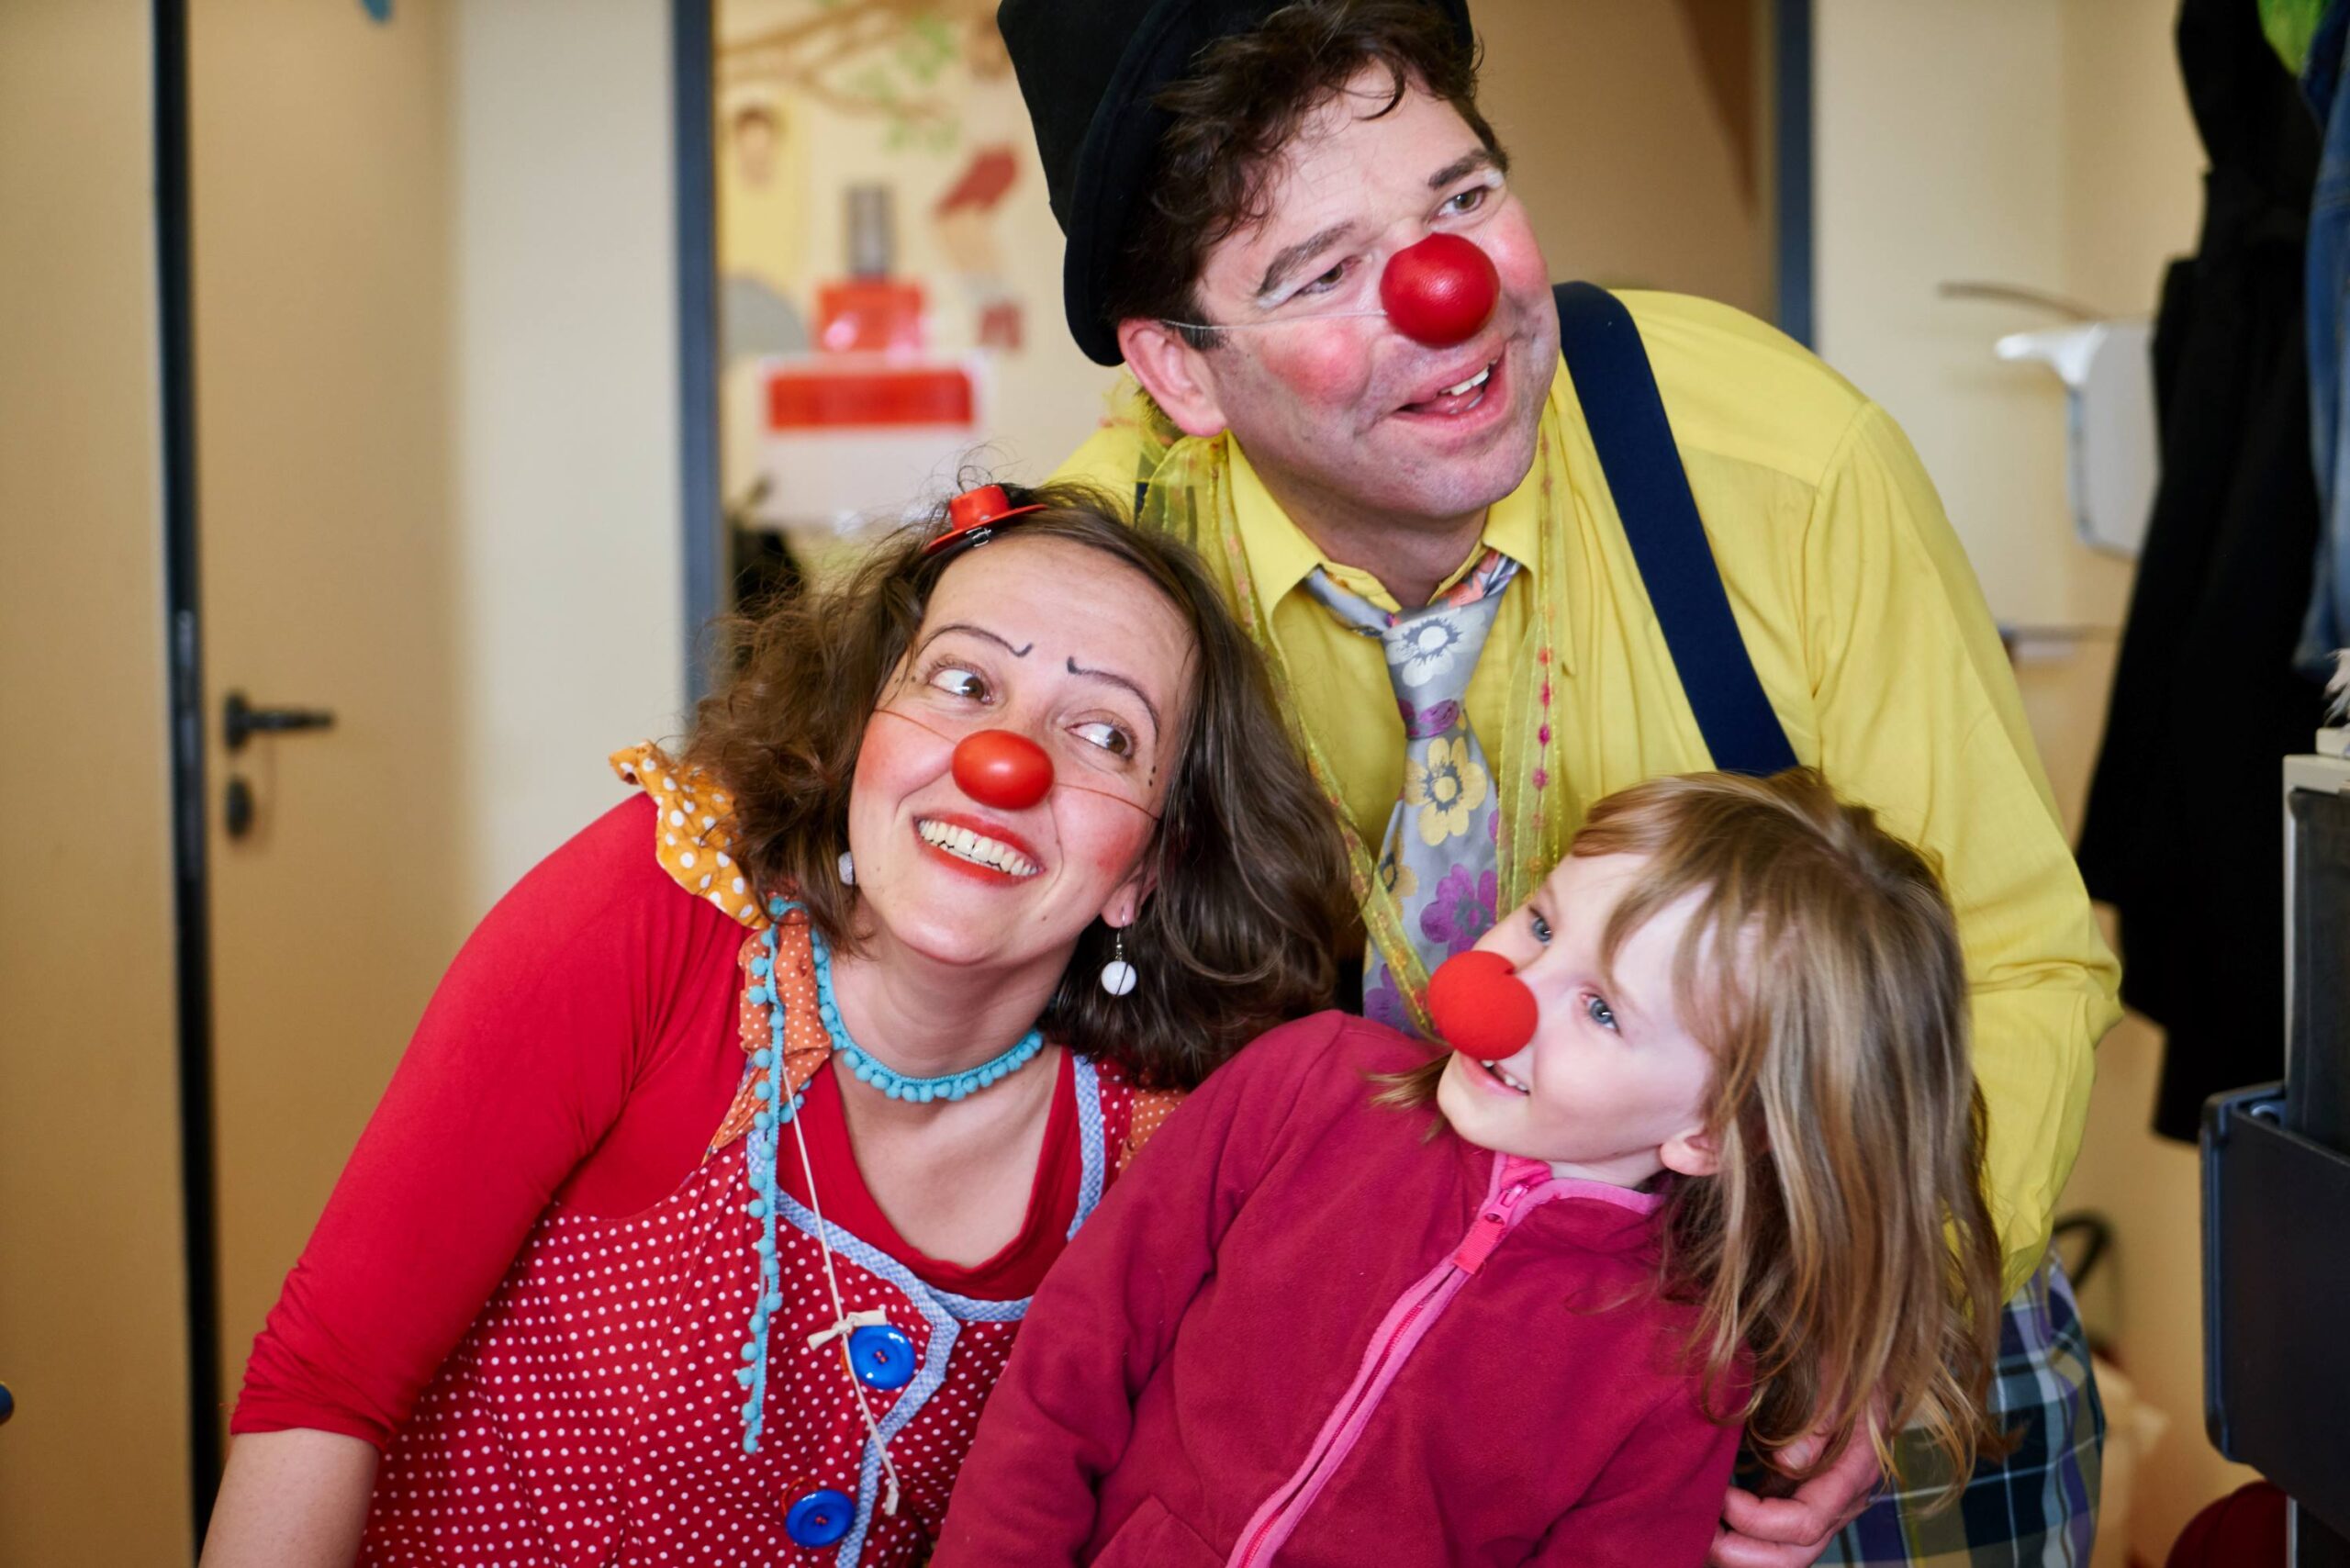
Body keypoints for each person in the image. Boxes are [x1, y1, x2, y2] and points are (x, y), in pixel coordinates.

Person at [993, 1, 2123, 1562]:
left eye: (1462, 198)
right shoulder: (1095, 586)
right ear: (1180, 369)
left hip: (1835, 1333)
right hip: (1371, 1409)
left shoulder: (1781, 462)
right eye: (1321, 271)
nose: (1449, 299)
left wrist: (1880, 1308)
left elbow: (2016, 957)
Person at [197, 483, 1350, 1567]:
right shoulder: (661, 917)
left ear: (1145, 869)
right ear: (859, 737)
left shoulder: (1160, 1144)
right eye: (962, 682)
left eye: (1105, 735)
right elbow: (326, 1387)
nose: (1004, 762)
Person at [934, 769, 2007, 1567]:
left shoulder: (1682, 1373)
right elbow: (1074, 1357)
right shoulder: (1303, 1081)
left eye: (1600, 1009)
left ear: (1713, 1133)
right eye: (1538, 922)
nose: (1505, 987)